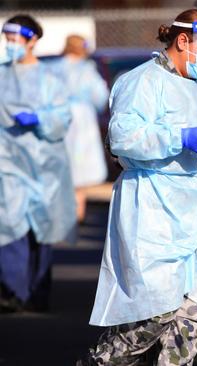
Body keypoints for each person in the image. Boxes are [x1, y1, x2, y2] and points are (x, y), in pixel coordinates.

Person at [77, 9, 197, 365]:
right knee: (152, 315)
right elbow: (124, 138)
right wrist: (177, 137)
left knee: (194, 316)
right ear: (182, 41)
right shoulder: (142, 82)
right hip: (156, 210)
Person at [0, 15, 75, 313]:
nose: (10, 45)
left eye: (15, 39)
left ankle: (36, 291)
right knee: (8, 224)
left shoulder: (49, 79)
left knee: (40, 230)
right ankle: (11, 291)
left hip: (43, 165)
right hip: (7, 164)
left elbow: (62, 117)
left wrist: (41, 119)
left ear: (32, 40)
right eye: (7, 38)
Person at [49, 34, 109, 222]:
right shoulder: (87, 70)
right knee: (81, 163)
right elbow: (100, 96)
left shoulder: (53, 68)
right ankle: (78, 209)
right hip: (82, 119)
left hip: (59, 117)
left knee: (61, 160)